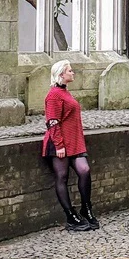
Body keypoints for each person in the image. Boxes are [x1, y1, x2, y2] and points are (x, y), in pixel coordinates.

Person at [42, 60, 99, 231]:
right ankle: (71, 216)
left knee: (84, 170)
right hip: (59, 143)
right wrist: (59, 145)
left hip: (73, 143)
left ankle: (86, 208)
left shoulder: (64, 92)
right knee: (62, 177)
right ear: (61, 74)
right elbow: (52, 122)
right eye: (70, 71)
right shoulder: (53, 95)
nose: (73, 73)